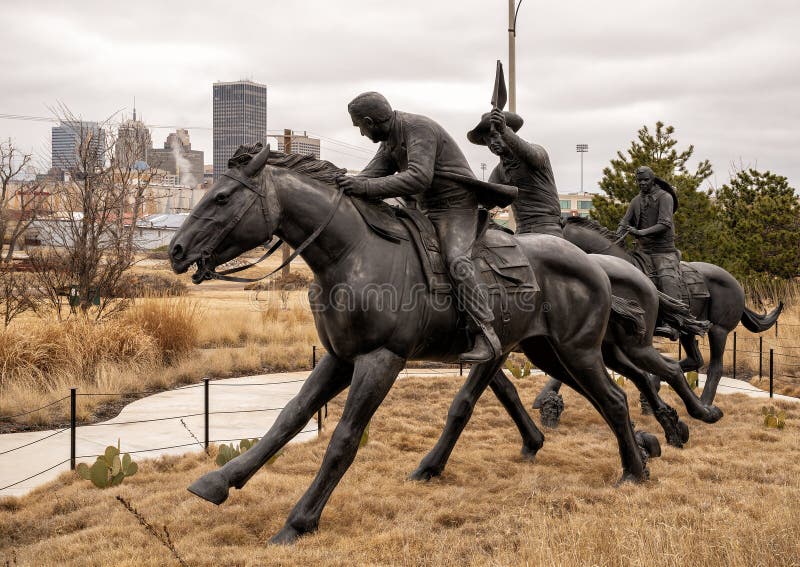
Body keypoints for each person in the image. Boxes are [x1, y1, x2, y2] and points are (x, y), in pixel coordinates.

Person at [336, 92, 509, 362]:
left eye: (359, 126)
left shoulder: (418, 128)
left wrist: (364, 186)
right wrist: (339, 184)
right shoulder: (390, 139)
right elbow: (371, 175)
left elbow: (418, 177)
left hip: (456, 207)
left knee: (456, 260)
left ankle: (486, 334)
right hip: (424, 209)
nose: (360, 133)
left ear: (370, 121)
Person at [467, 108, 563, 236]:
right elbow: (486, 201)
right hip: (522, 232)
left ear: (508, 131)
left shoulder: (537, 151)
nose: (491, 143)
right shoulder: (499, 171)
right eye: (487, 141)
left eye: (494, 136)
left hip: (548, 229)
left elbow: (534, 158)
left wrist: (504, 130)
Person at [616, 165, 684, 338]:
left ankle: (673, 322)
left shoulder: (665, 197)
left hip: (663, 251)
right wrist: (616, 236)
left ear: (653, 180)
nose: (642, 183)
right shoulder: (635, 201)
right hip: (642, 251)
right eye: (639, 181)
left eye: (645, 180)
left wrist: (640, 233)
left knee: (666, 277)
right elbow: (625, 222)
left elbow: (665, 224)